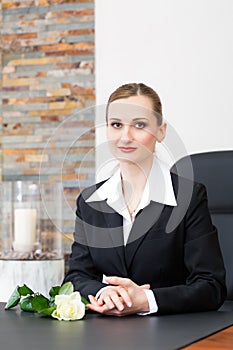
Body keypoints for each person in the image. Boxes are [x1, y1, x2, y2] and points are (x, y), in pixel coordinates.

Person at [64, 83, 226, 316]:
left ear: (161, 132)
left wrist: (147, 300)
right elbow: (76, 276)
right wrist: (103, 292)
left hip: (173, 332)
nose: (125, 137)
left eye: (139, 125)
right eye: (116, 125)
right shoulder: (90, 202)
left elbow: (211, 286)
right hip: (106, 335)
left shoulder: (189, 197)